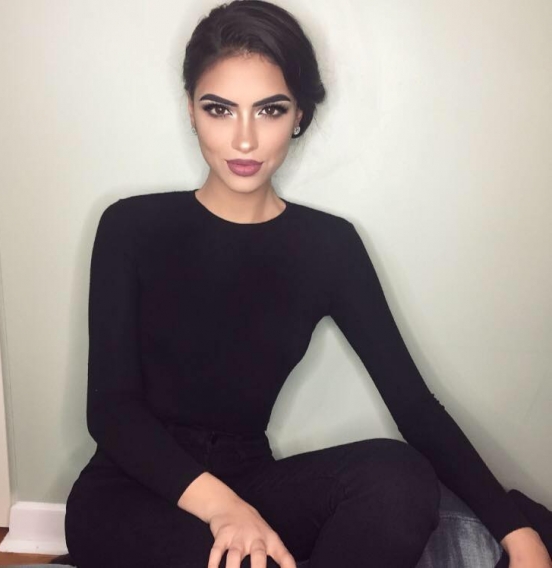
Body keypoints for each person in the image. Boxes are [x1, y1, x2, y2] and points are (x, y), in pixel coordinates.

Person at [64, 1, 552, 567]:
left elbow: (415, 407)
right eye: (219, 109)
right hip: (132, 492)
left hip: (251, 480)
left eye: (269, 110)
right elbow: (112, 411)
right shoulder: (131, 225)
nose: (244, 140)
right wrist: (225, 510)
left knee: (397, 474)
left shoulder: (329, 246)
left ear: (299, 115)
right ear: (191, 111)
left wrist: (518, 534)